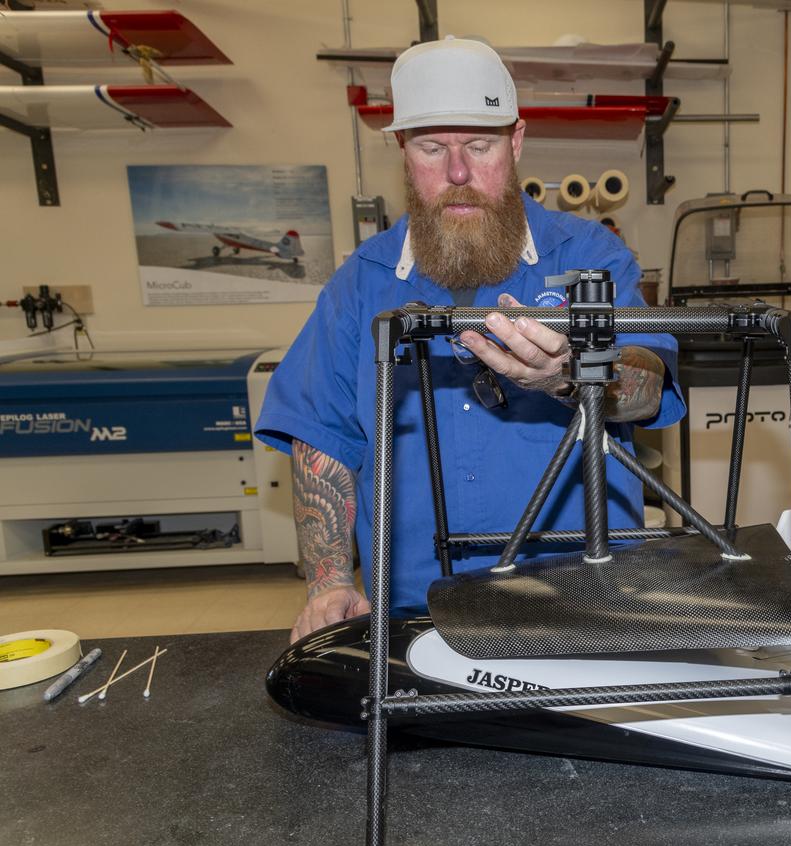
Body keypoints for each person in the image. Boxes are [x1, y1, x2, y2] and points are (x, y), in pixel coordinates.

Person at [254, 38, 685, 643]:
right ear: (403, 151)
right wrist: (327, 581)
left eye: (479, 146)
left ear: (516, 142)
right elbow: (321, 436)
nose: (458, 174)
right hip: (417, 609)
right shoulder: (361, 284)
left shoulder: (589, 257)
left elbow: (647, 389)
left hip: (590, 597)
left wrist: (573, 376)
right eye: (433, 148)